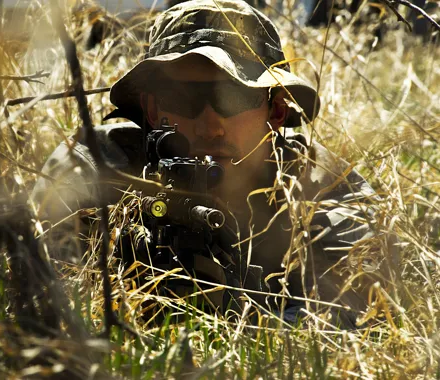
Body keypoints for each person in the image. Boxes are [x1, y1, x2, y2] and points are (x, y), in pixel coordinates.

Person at [32, 0, 396, 328]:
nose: (210, 127)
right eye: (184, 98)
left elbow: (364, 316)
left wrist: (235, 310)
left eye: (233, 97)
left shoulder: (321, 184)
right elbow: (43, 300)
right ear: (152, 109)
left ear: (277, 110)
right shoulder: (96, 167)